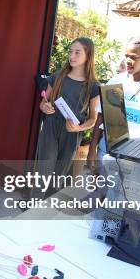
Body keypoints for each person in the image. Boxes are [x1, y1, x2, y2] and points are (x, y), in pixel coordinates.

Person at [87, 38, 140, 164]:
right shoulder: (116, 81)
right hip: (107, 149)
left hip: (137, 151)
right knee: (103, 183)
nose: (128, 61)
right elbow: (101, 116)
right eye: (126, 56)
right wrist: (92, 149)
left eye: (133, 57)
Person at [37, 37, 100, 190]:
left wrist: (78, 129)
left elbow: (93, 119)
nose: (72, 56)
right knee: (44, 168)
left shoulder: (93, 86)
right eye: (70, 52)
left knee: (60, 173)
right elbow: (44, 102)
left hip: (72, 133)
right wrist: (44, 107)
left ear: (88, 55)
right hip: (51, 127)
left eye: (77, 52)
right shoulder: (57, 76)